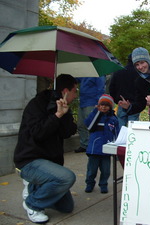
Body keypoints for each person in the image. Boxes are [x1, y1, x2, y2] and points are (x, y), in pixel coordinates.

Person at [14, 74, 78, 223]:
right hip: (29, 161)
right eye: (75, 91)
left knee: (66, 207)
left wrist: (65, 114)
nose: (75, 96)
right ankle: (32, 204)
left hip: (51, 163)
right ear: (66, 91)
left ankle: (34, 187)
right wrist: (56, 115)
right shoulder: (37, 104)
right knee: (67, 178)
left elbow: (68, 132)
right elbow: (38, 133)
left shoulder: (63, 107)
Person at [84, 94, 120, 193]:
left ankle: (103, 184)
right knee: (92, 170)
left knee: (106, 171)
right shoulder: (94, 115)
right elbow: (89, 126)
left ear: (110, 107)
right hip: (94, 149)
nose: (103, 107)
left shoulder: (113, 119)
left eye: (106, 105)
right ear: (98, 105)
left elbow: (116, 132)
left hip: (106, 150)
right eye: (101, 104)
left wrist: (116, 145)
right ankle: (89, 184)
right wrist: (97, 112)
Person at [118, 47, 150, 121]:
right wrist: (129, 106)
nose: (140, 67)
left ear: (148, 61)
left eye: (142, 62)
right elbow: (140, 104)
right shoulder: (139, 82)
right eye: (137, 64)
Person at [75, 77, 106, 153]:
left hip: (92, 102)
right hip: (82, 102)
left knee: (91, 125)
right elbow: (77, 79)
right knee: (80, 124)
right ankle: (84, 144)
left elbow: (101, 88)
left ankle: (94, 144)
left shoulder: (99, 75)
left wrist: (99, 102)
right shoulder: (85, 72)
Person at [109, 54, 140, 127]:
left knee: (120, 128)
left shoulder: (119, 71)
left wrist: (117, 100)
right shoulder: (139, 73)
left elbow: (111, 88)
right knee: (133, 129)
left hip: (121, 102)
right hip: (134, 104)